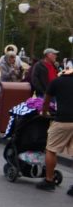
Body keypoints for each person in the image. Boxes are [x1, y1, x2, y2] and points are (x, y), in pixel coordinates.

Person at [37, 60, 73, 194]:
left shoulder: (57, 82)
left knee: (51, 149)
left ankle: (49, 180)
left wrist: (44, 113)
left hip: (63, 120)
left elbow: (46, 100)